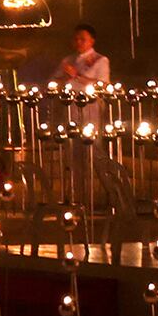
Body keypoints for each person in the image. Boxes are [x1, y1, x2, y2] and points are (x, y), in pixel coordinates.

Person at [59, 23, 110, 203]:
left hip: (91, 109)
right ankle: (76, 196)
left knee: (93, 151)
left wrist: (77, 76)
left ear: (92, 40)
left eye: (83, 39)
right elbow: (56, 82)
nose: (78, 42)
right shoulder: (68, 60)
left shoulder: (100, 60)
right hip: (71, 109)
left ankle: (107, 193)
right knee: (73, 153)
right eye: (76, 39)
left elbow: (103, 84)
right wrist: (64, 78)